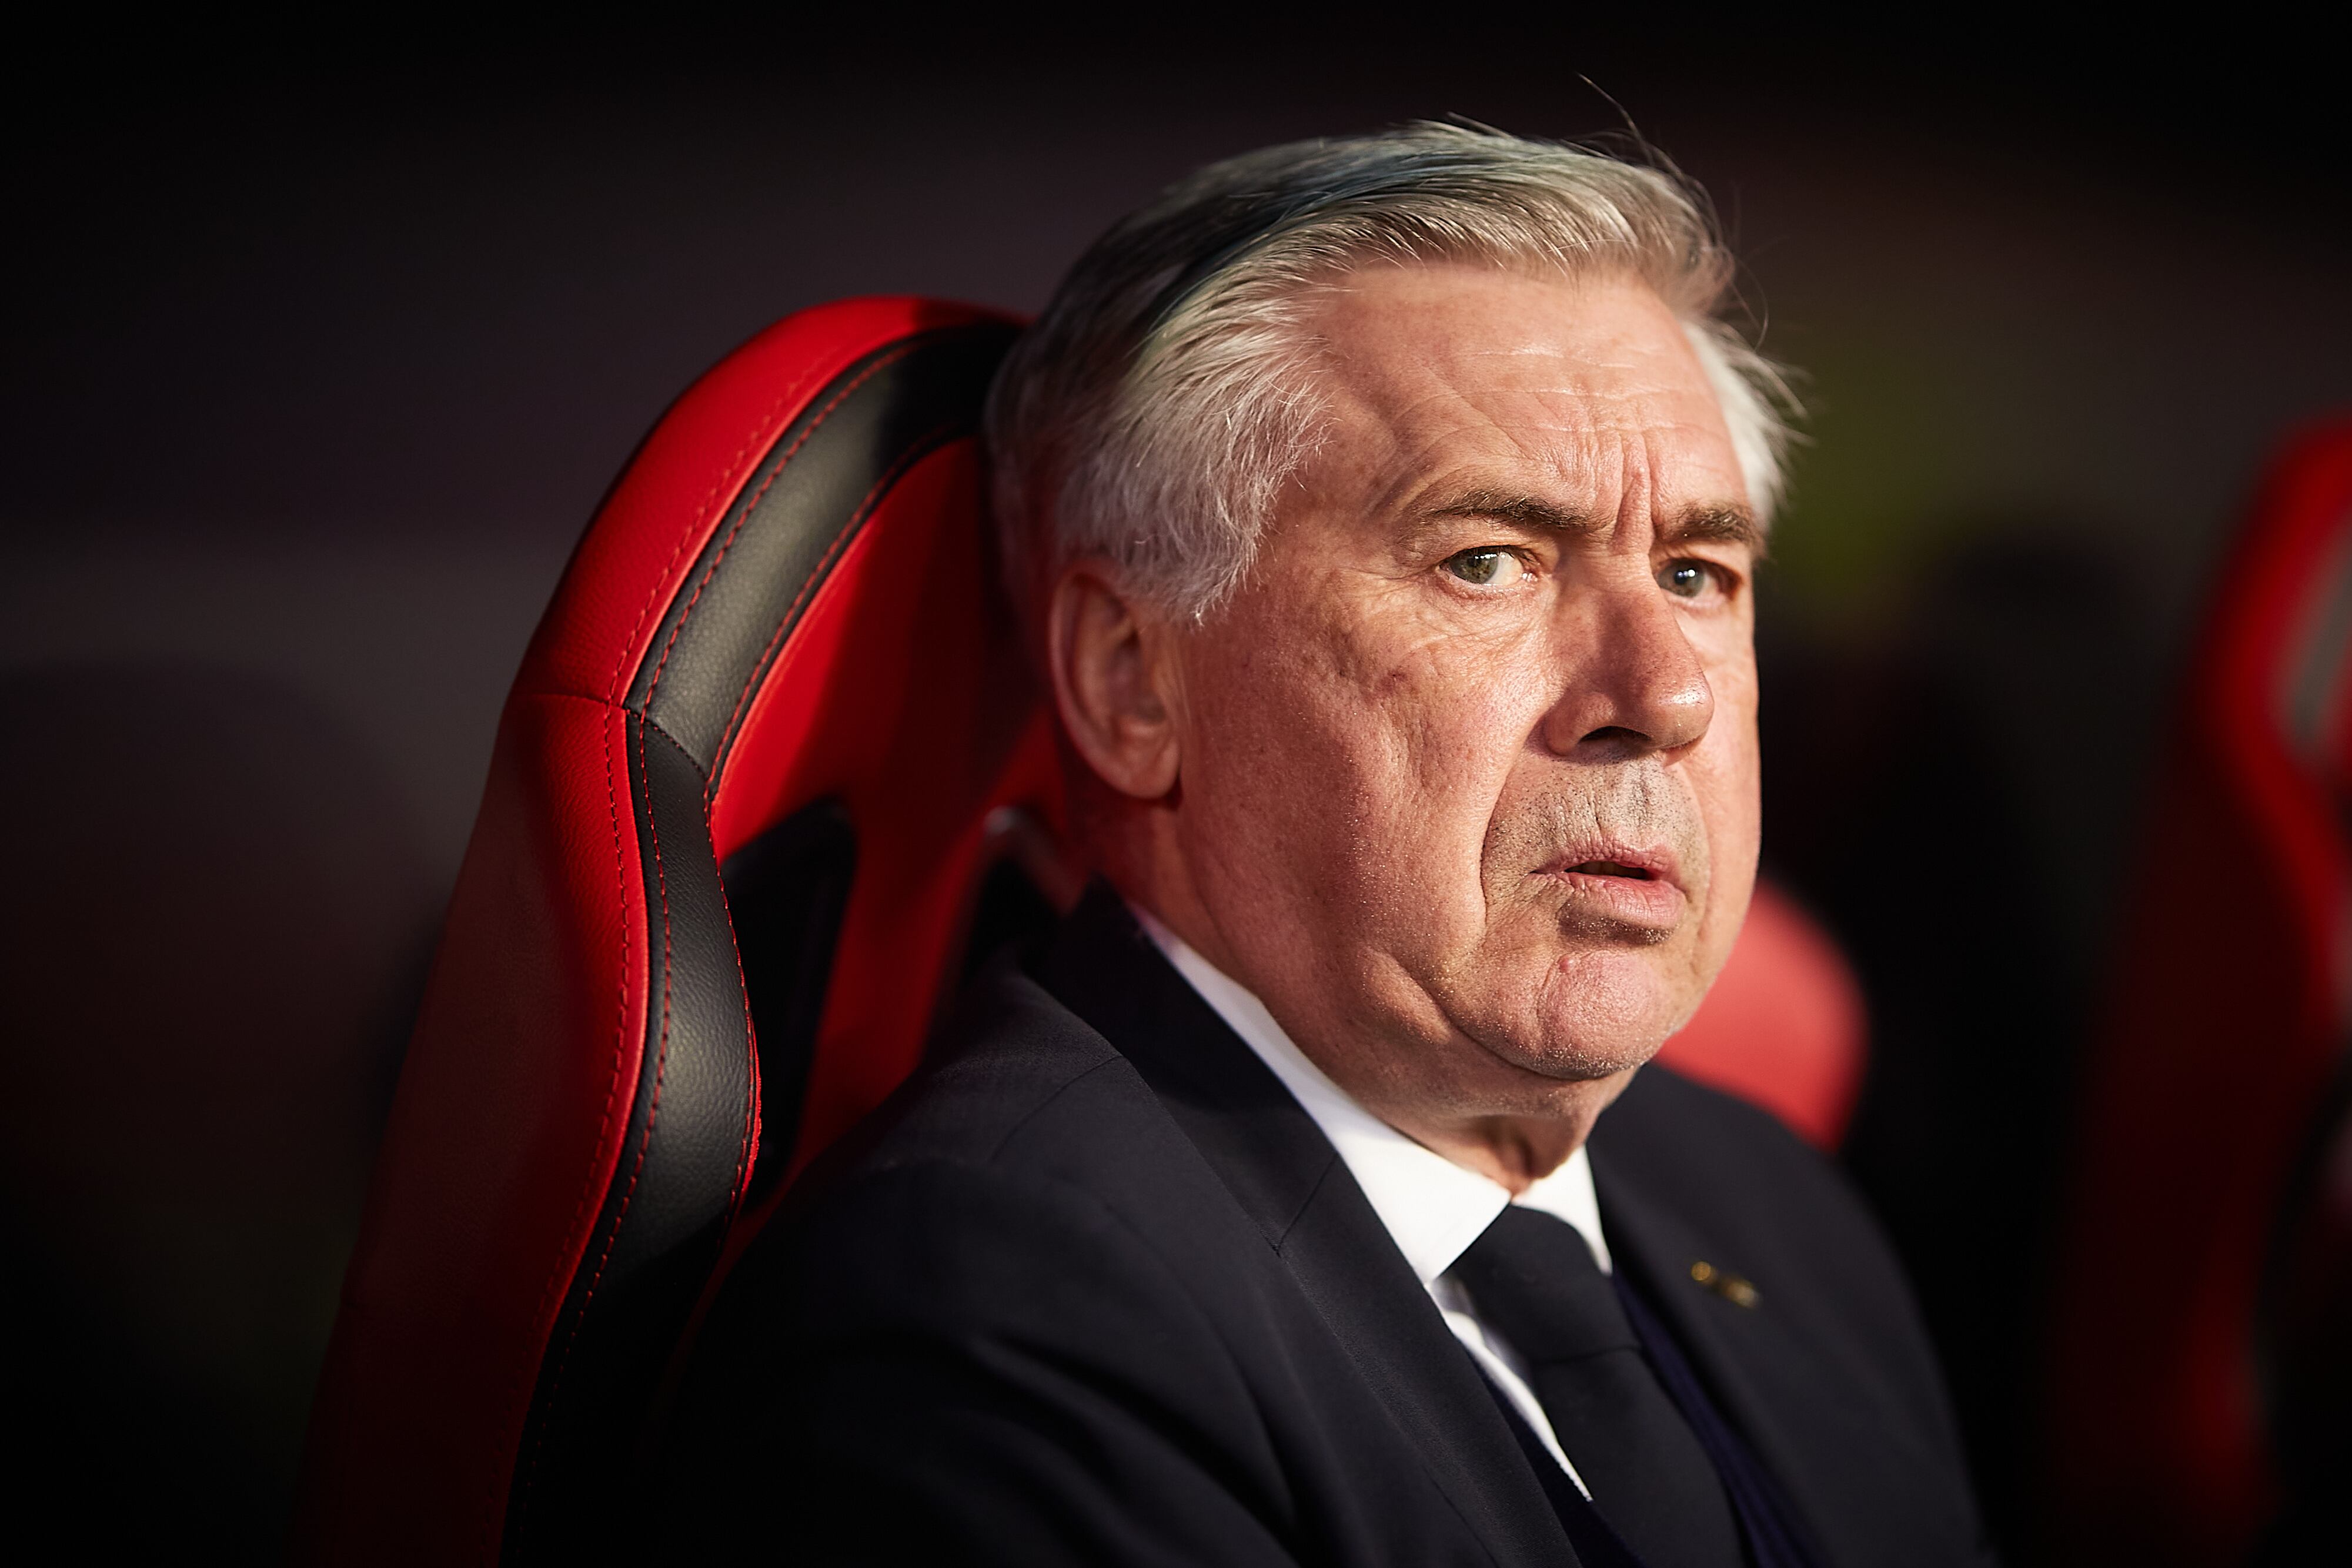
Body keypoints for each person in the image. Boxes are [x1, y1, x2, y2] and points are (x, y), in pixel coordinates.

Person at [662, 123, 1994, 1567]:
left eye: (1695, 570)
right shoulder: (977, 1318)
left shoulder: (1762, 1195)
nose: (1661, 692)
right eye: (1485, 557)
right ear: (1130, 681)